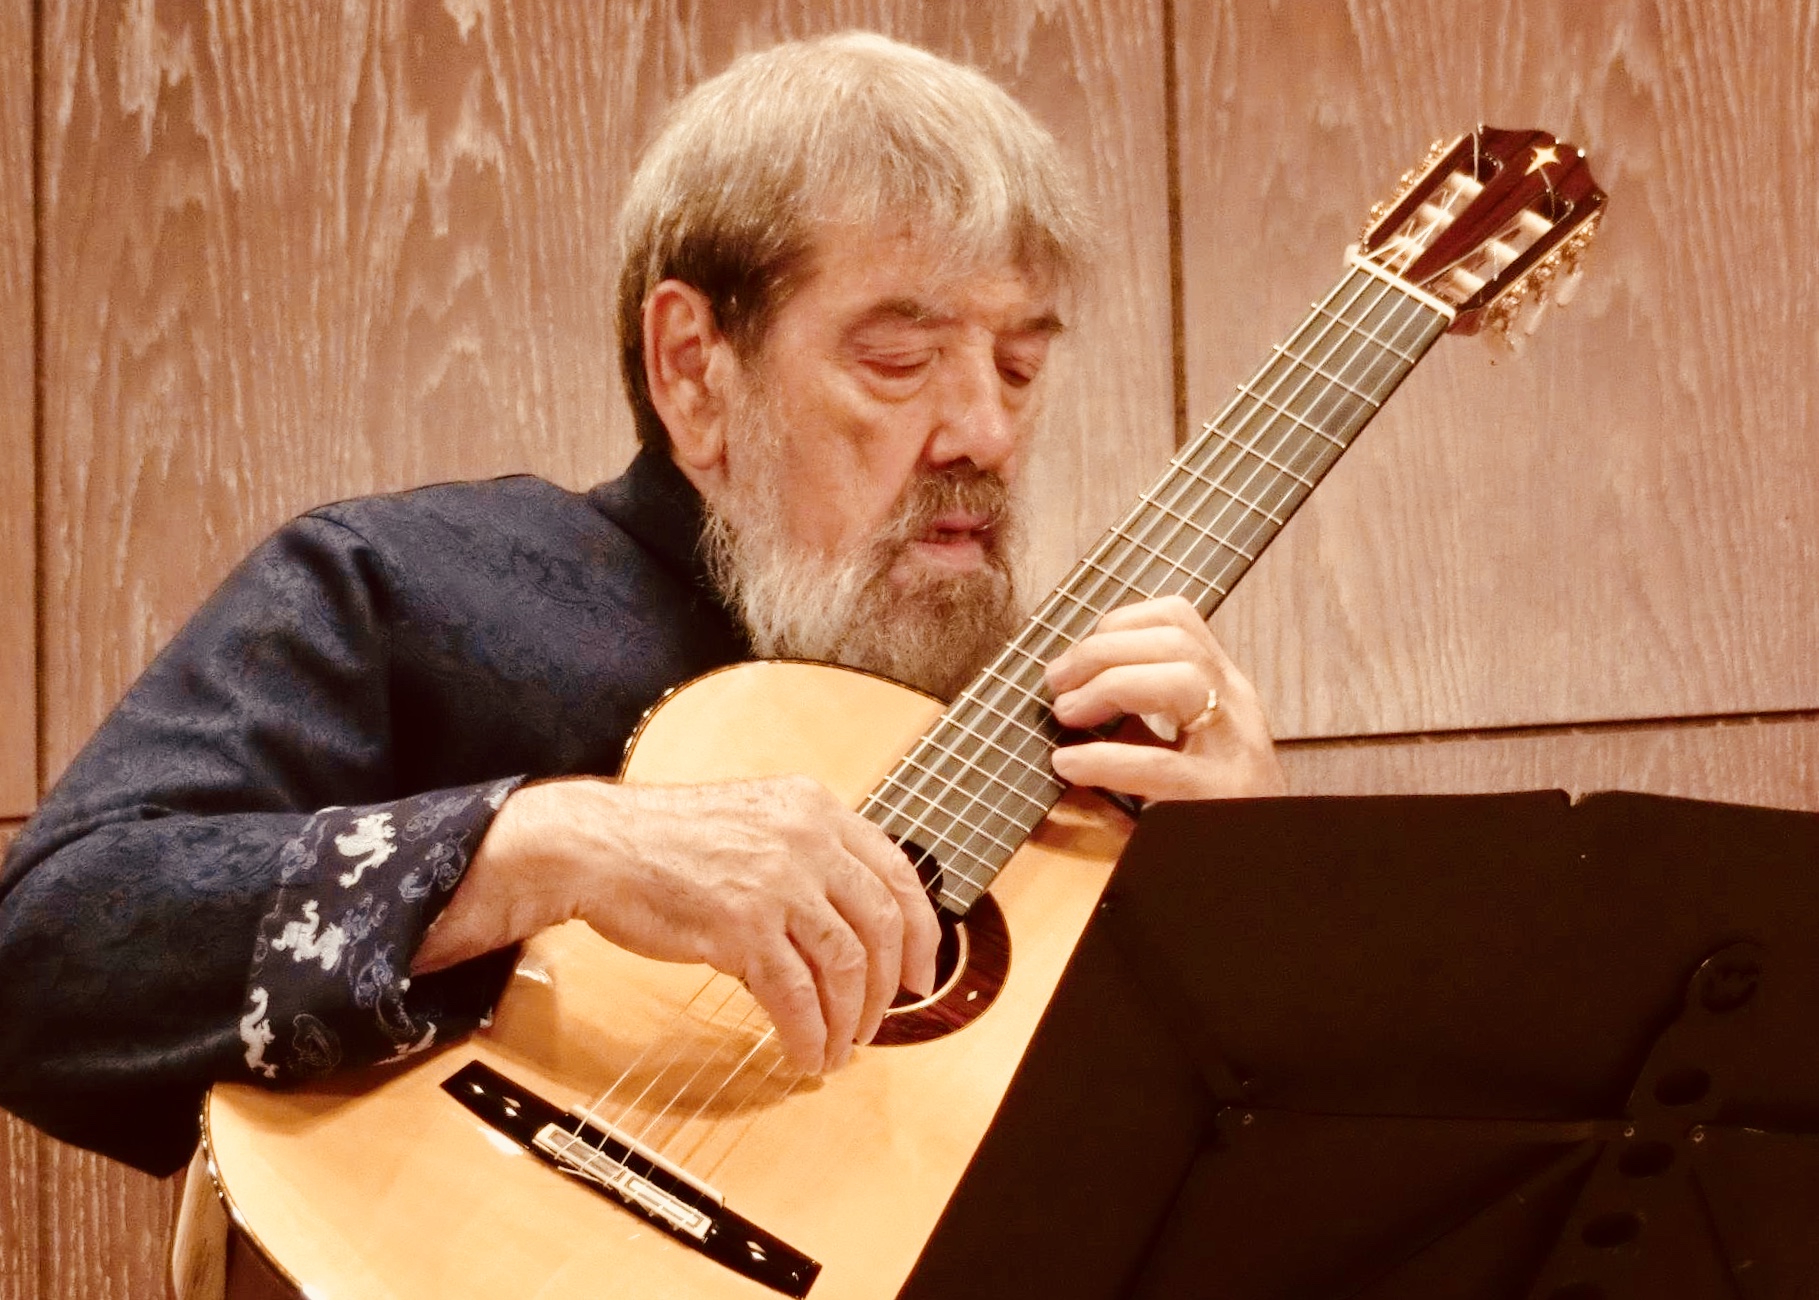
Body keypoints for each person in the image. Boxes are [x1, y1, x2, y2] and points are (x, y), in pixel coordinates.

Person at [0, 31, 1284, 1178]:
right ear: (693, 368)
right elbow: (45, 951)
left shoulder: (1071, 749)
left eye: (1018, 365)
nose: (986, 432)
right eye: (899, 360)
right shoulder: (406, 582)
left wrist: (1242, 889)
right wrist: (554, 848)